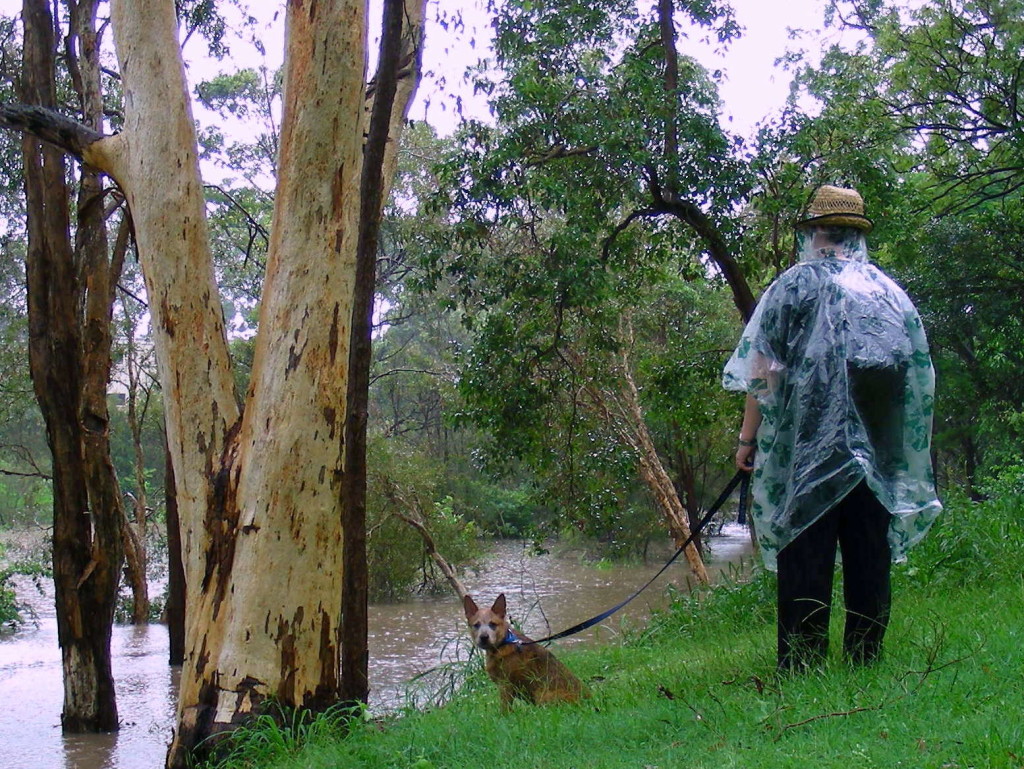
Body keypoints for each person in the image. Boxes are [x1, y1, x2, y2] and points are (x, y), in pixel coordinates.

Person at [723, 185, 942, 671]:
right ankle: (865, 658)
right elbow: (916, 374)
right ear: (857, 234)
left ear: (816, 232)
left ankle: (802, 665)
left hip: (808, 453)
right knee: (869, 555)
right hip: (878, 454)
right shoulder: (888, 292)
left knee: (806, 552)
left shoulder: (793, 286)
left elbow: (762, 369)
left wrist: (748, 440)